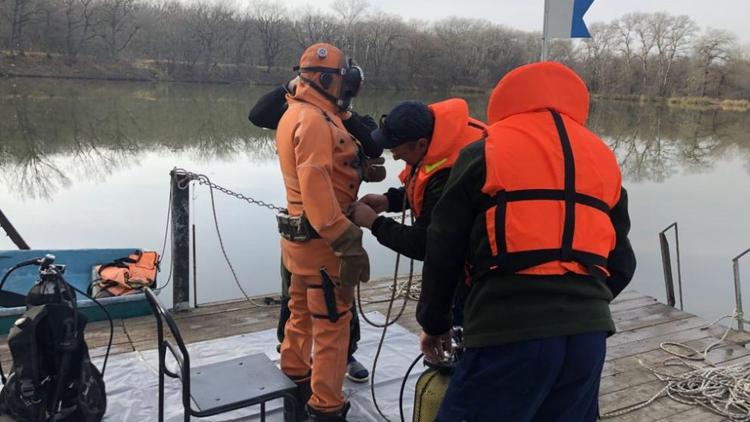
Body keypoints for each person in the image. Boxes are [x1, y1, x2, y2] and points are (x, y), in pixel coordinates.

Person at [417, 62, 637, 421]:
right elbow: (622, 264)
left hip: (508, 331)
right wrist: (579, 305)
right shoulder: (603, 159)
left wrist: (434, 323)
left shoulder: (483, 152)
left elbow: (443, 248)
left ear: (506, 101)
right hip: (587, 337)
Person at [248, 76, 382, 384]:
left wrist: (342, 113)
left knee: (338, 305)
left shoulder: (349, 119)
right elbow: (257, 115)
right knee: (297, 299)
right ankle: (293, 359)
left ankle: (345, 354)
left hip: (340, 223)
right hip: (305, 224)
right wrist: (295, 83)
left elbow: (374, 144)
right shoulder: (300, 111)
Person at [275, 43, 371, 422]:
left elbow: (323, 170)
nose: (347, 90)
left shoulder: (297, 111)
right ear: (327, 79)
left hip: (300, 243)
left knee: (300, 312)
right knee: (333, 325)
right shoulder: (313, 120)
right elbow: (316, 187)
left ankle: (294, 379)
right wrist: (347, 242)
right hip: (323, 244)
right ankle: (327, 406)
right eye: (343, 81)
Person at [348, 99, 485, 326]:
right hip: (468, 264)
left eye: (398, 151)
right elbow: (426, 188)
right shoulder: (440, 141)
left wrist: (374, 223)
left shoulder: (453, 171)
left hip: (477, 278)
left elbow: (426, 244)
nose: (394, 155)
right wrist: (389, 200)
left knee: (462, 337)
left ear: (420, 144)